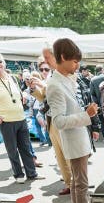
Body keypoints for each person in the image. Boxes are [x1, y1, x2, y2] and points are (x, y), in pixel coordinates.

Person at [47, 38, 98, 203]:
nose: (77, 66)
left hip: (79, 138)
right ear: (63, 57)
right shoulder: (55, 85)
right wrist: (87, 115)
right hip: (73, 141)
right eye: (75, 61)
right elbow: (59, 121)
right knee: (81, 184)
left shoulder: (67, 80)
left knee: (79, 183)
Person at [0, 52, 41, 184]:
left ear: (4, 63)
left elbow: (19, 95)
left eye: (0, 61)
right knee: (12, 150)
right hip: (6, 121)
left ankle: (32, 173)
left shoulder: (12, 78)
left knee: (25, 148)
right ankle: (18, 174)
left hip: (21, 118)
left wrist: (23, 96)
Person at [28, 47, 71, 195]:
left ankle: (77, 183)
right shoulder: (47, 80)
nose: (44, 71)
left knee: (68, 154)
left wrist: (43, 85)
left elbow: (61, 92)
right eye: (42, 68)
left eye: (46, 68)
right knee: (59, 155)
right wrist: (33, 89)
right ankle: (68, 183)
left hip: (63, 120)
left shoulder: (60, 74)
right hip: (51, 121)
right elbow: (43, 99)